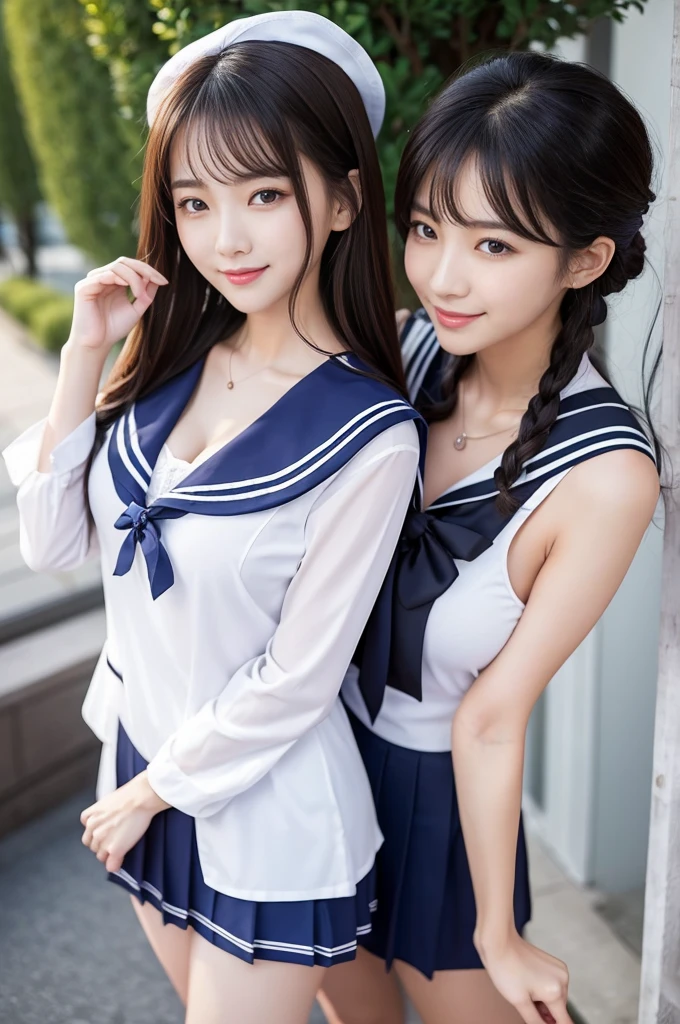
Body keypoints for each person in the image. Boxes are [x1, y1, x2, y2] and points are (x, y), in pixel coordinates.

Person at [2, 12, 424, 1024]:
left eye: (264, 194)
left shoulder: (367, 434)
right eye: (194, 202)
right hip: (142, 759)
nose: (224, 238)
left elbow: (297, 676)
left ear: (339, 201)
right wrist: (82, 360)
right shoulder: (165, 367)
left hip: (263, 812)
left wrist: (150, 795)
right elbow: (56, 545)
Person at [320, 50, 660, 1024]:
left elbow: (490, 714)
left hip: (437, 807)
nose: (441, 273)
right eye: (425, 229)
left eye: (493, 245)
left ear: (585, 258)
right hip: (312, 767)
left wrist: (497, 935)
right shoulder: (402, 346)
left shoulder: (602, 476)